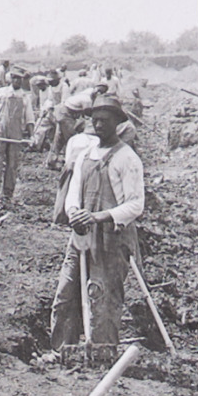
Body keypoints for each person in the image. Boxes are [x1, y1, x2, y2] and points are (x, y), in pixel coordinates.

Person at [48, 94, 145, 352]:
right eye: (95, 120)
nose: (99, 125)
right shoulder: (85, 156)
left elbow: (136, 205)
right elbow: (73, 193)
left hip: (112, 239)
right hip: (81, 237)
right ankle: (62, 351)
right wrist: (74, 214)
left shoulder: (127, 159)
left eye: (105, 120)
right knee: (66, 295)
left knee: (103, 299)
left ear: (117, 123)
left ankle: (104, 355)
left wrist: (99, 216)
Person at [0, 69, 34, 203]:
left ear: (22, 80)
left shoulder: (25, 97)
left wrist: (32, 136)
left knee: (12, 165)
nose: (17, 81)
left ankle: (7, 194)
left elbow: (29, 118)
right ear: (11, 78)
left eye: (19, 78)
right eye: (14, 78)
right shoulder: (1, 92)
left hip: (16, 134)